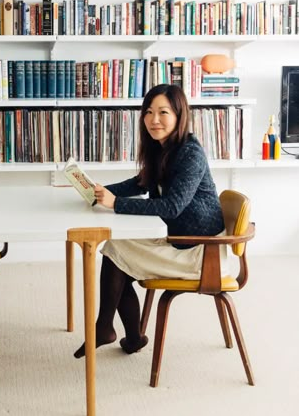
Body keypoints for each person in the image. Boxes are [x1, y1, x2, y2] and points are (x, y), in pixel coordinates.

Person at [74, 83, 225, 359]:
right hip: (180, 239)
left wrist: (115, 204)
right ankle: (125, 335)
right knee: (117, 252)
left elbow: (172, 206)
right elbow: (141, 183)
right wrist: (102, 192)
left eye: (163, 112)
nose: (154, 119)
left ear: (180, 115)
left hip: (202, 251)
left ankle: (107, 328)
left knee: (116, 252)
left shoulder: (190, 153)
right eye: (149, 112)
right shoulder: (164, 148)